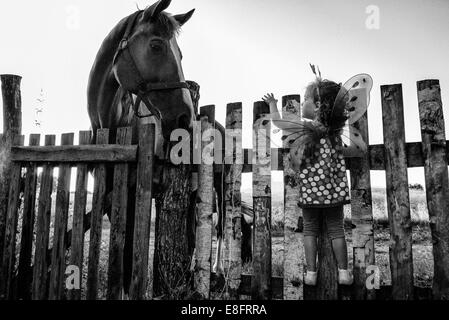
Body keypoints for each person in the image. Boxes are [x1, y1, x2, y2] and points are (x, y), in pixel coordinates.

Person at [262, 78, 354, 286]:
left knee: (310, 230)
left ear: (319, 105)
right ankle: (344, 273)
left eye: (305, 99)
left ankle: (311, 273)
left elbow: (278, 123)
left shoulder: (306, 128)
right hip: (334, 191)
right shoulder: (336, 132)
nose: (303, 103)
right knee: (337, 230)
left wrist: (272, 104)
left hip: (311, 191)